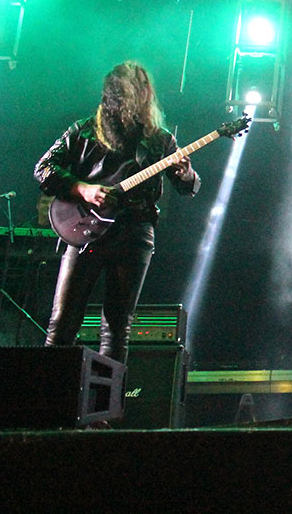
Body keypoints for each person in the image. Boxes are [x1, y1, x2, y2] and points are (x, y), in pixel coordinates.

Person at [34, 61, 200, 364]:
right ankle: (47, 401)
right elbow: (44, 168)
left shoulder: (160, 139)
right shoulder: (84, 130)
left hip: (133, 231)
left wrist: (186, 174)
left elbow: (186, 187)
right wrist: (83, 189)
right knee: (62, 322)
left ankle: (104, 408)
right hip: (85, 229)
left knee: (117, 328)